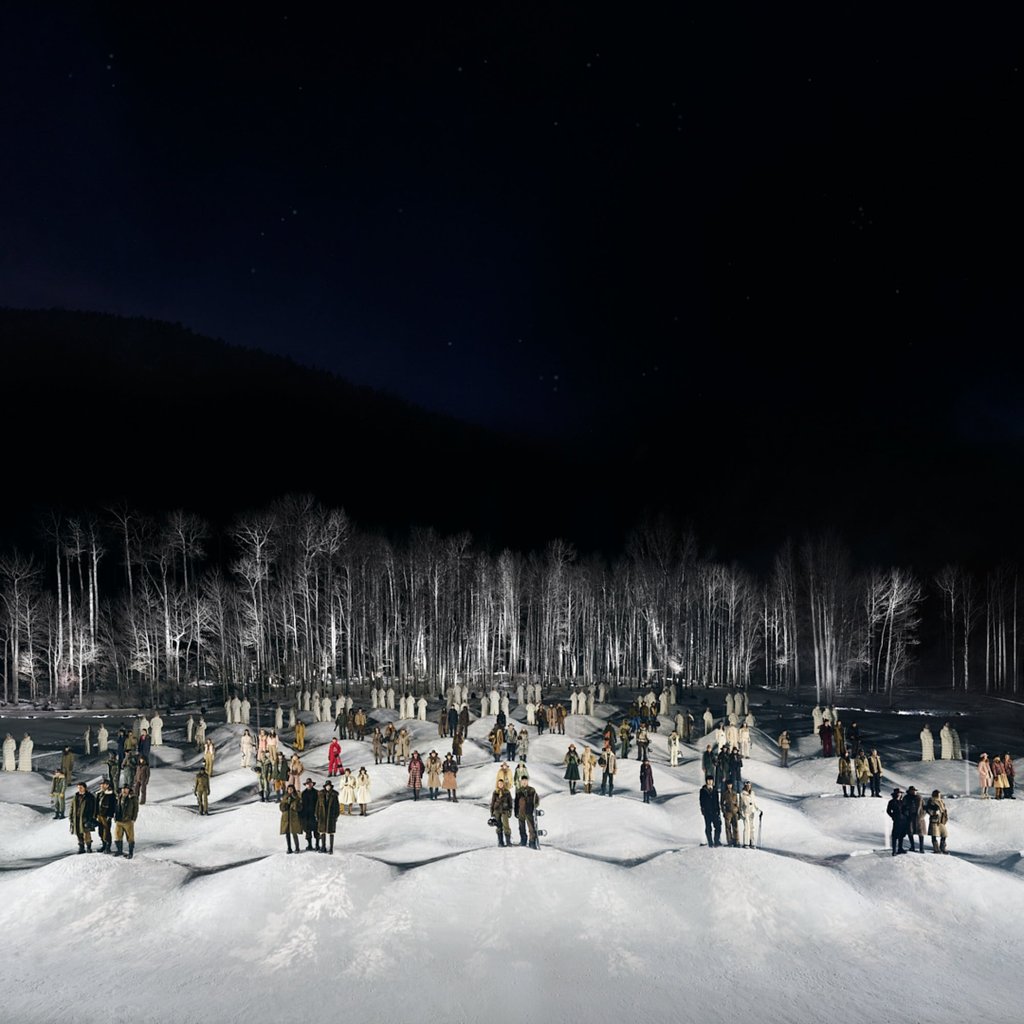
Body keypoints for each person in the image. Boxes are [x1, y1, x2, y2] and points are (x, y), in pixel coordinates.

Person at [68, 782, 96, 854]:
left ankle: (89, 847)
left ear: (85, 788)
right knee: (78, 833)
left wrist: (91, 818)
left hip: (86, 817)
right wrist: (71, 816)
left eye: (81, 787)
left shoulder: (89, 797)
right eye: (78, 788)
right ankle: (81, 847)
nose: (79, 789)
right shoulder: (76, 796)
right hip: (76, 817)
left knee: (86, 833)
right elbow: (72, 807)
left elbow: (93, 808)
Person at [114, 783, 139, 859]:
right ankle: (119, 850)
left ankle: (130, 853)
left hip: (128, 820)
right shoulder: (119, 797)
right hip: (119, 820)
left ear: (129, 790)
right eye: (123, 789)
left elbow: (136, 809)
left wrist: (133, 819)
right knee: (117, 835)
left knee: (130, 837)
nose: (124, 790)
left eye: (126, 789)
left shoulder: (133, 798)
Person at [516, 778, 541, 849]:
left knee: (531, 827)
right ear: (521, 782)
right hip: (521, 811)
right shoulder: (519, 790)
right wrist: (516, 812)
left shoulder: (532, 790)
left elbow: (536, 800)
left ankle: (532, 841)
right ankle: (523, 840)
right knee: (521, 827)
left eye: (525, 781)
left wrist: (534, 807)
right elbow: (516, 802)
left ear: (527, 782)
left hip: (529, 811)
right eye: (523, 781)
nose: (524, 782)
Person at [316, 780, 340, 852]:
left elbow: (337, 807)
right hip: (322, 815)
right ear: (325, 787)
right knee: (322, 831)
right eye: (327, 786)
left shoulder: (334, 795)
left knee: (331, 831)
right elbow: (317, 806)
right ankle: (323, 847)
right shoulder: (320, 794)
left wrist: (336, 816)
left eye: (329, 786)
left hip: (331, 816)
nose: (328, 787)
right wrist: (317, 815)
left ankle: (331, 848)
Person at [490, 778, 513, 847]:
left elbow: (510, 802)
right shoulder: (495, 792)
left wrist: (510, 810)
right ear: (497, 784)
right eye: (499, 784)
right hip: (496, 811)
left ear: (503, 784)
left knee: (506, 826)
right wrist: (492, 813)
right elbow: (492, 802)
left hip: (505, 810)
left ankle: (508, 842)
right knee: (499, 826)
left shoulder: (507, 792)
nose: (500, 785)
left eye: (501, 784)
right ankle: (500, 842)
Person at [94, 779, 116, 853]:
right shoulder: (99, 794)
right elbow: (96, 805)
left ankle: (108, 846)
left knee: (106, 831)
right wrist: (95, 814)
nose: (101, 786)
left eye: (103, 784)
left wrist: (110, 815)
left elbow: (113, 806)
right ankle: (103, 845)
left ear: (107, 785)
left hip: (106, 816)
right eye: (101, 784)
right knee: (100, 831)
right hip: (99, 815)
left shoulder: (111, 795)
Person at [280, 784, 303, 853]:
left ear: (293, 790)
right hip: (286, 817)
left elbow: (300, 807)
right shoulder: (285, 797)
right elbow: (281, 807)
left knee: (294, 833)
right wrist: (285, 805)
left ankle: (297, 848)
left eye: (291, 789)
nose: (290, 790)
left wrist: (295, 807)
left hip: (294, 817)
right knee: (287, 833)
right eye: (289, 789)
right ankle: (289, 848)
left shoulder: (297, 797)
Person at [700, 776, 722, 847]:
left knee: (718, 826)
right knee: (708, 827)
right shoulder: (703, 790)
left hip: (714, 811)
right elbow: (701, 801)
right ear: (706, 781)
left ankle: (716, 841)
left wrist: (718, 810)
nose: (710, 782)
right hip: (707, 811)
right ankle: (710, 842)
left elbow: (717, 801)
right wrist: (703, 809)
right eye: (708, 780)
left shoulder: (715, 790)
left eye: (711, 780)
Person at [925, 790, 949, 854]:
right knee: (934, 834)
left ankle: (942, 848)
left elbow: (943, 810)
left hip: (941, 821)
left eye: (939, 794)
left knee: (944, 834)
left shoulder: (941, 801)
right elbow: (928, 809)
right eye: (938, 794)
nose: (939, 795)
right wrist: (933, 812)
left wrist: (945, 817)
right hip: (934, 820)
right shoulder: (931, 801)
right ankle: (936, 849)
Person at [904, 786, 926, 853]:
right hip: (910, 817)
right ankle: (912, 846)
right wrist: (906, 813)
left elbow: (924, 807)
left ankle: (921, 848)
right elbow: (903, 807)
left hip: (919, 817)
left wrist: (922, 815)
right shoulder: (906, 798)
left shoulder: (919, 798)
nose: (914, 791)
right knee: (910, 832)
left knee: (920, 832)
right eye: (912, 790)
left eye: (915, 790)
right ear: (909, 791)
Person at [739, 780, 760, 847]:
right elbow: (740, 804)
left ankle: (752, 842)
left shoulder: (752, 793)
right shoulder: (742, 794)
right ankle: (746, 843)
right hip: (746, 812)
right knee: (747, 828)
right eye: (747, 786)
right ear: (745, 786)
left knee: (752, 828)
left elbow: (754, 803)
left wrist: (758, 809)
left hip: (752, 812)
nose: (748, 787)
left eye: (749, 786)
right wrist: (741, 812)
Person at [300, 778, 319, 850]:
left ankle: (317, 845)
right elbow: (302, 804)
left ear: (312, 784)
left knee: (316, 831)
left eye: (310, 784)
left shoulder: (316, 792)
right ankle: (309, 845)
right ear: (306, 785)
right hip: (306, 815)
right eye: (307, 784)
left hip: (314, 814)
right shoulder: (303, 793)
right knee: (308, 832)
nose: (309, 785)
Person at [886, 787, 906, 855]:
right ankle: (894, 850)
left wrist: (905, 815)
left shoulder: (902, 802)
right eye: (898, 793)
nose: (899, 794)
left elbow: (905, 810)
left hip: (903, 820)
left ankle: (900, 848)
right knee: (895, 835)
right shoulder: (891, 802)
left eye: (900, 793)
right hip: (897, 820)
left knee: (901, 835)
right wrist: (893, 816)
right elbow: (888, 811)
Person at [721, 780, 740, 846]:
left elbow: (737, 803)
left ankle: (736, 841)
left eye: (730, 784)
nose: (729, 786)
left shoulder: (734, 793)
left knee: (735, 827)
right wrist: (724, 811)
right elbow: (721, 803)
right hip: (728, 812)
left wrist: (738, 811)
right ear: (726, 785)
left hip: (734, 812)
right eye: (728, 785)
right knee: (728, 827)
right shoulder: (724, 793)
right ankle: (729, 841)